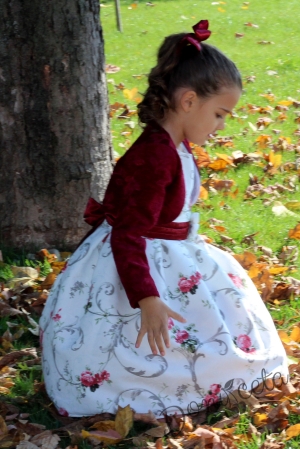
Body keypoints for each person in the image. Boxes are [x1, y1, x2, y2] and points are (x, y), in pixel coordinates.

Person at [39, 20, 288, 417]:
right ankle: (150, 385)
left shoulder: (174, 145)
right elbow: (127, 235)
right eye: (220, 114)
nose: (223, 125)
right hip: (140, 262)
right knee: (139, 339)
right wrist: (148, 297)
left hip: (173, 252)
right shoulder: (153, 157)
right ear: (189, 101)